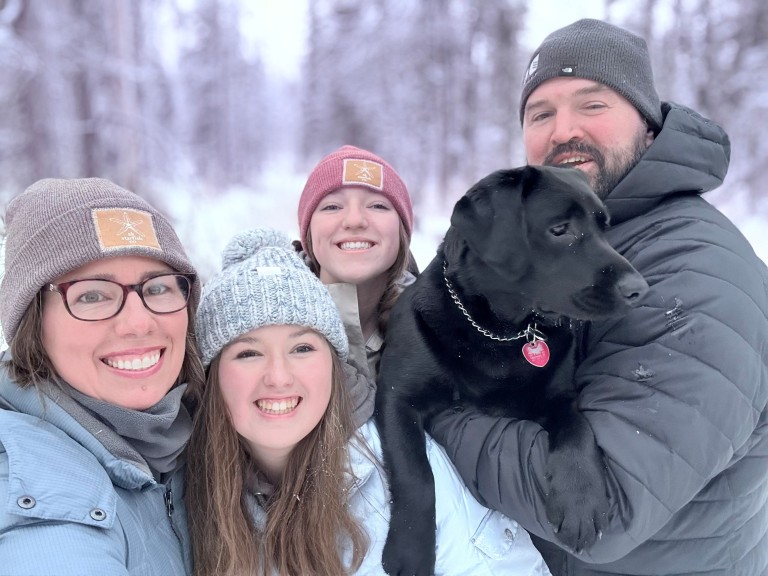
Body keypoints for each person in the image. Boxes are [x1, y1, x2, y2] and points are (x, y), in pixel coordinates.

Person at [426, 18, 768, 576]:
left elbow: (601, 507)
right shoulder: (578, 245)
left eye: (592, 105)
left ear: (648, 126)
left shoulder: (691, 270)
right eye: (541, 114)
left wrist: (432, 409)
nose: (563, 131)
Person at [186, 227, 551, 576]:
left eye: (302, 348)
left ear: (334, 364)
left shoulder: (401, 465)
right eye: (248, 354)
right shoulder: (182, 491)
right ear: (212, 374)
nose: (279, 377)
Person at [0, 178, 203, 575]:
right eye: (92, 295)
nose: (139, 323)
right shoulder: (34, 493)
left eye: (157, 288)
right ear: (33, 326)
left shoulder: (192, 438)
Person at [296, 144, 417, 384]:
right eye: (332, 206)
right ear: (308, 233)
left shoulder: (442, 330)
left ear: (401, 231)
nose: (354, 220)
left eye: (377, 205)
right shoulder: (263, 326)